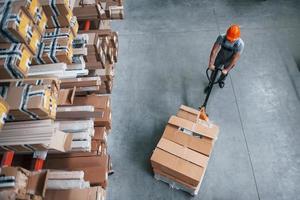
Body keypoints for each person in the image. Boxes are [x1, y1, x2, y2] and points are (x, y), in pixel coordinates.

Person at [206, 24, 244, 90]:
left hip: (230, 60)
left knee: (224, 73)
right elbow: (214, 51)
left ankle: (221, 80)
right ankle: (211, 82)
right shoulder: (221, 37)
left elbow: (235, 58)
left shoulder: (240, 44)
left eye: (232, 40)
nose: (230, 41)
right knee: (214, 71)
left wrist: (227, 69)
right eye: (229, 39)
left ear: (237, 38)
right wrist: (211, 64)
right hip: (220, 57)